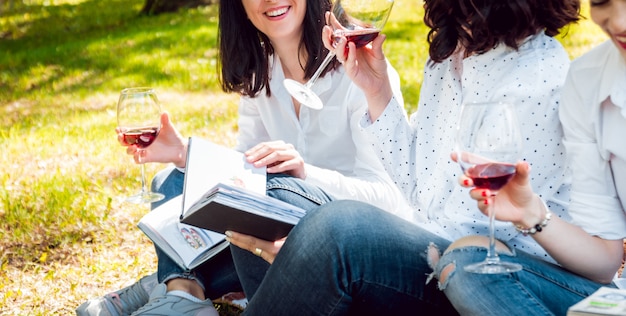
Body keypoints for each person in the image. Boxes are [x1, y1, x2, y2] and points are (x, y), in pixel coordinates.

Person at [225, 0, 582, 314]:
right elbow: (418, 188)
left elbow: (472, 231)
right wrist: (376, 90)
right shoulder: (450, 54)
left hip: (489, 278)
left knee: (335, 230)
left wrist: (317, 252)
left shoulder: (535, 76)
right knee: (261, 195)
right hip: (431, 249)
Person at [75, 0, 409, 315]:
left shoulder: (359, 71)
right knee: (173, 180)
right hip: (275, 232)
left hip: (339, 240)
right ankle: (183, 292)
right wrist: (182, 154)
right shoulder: (259, 73)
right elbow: (242, 173)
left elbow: (389, 197)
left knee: (267, 196)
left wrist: (305, 174)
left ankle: (171, 288)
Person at [435, 0, 626, 314]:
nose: (618, 22)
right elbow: (606, 261)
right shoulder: (589, 81)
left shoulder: (541, 75)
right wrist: (533, 214)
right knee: (469, 260)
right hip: (612, 301)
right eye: (602, 1)